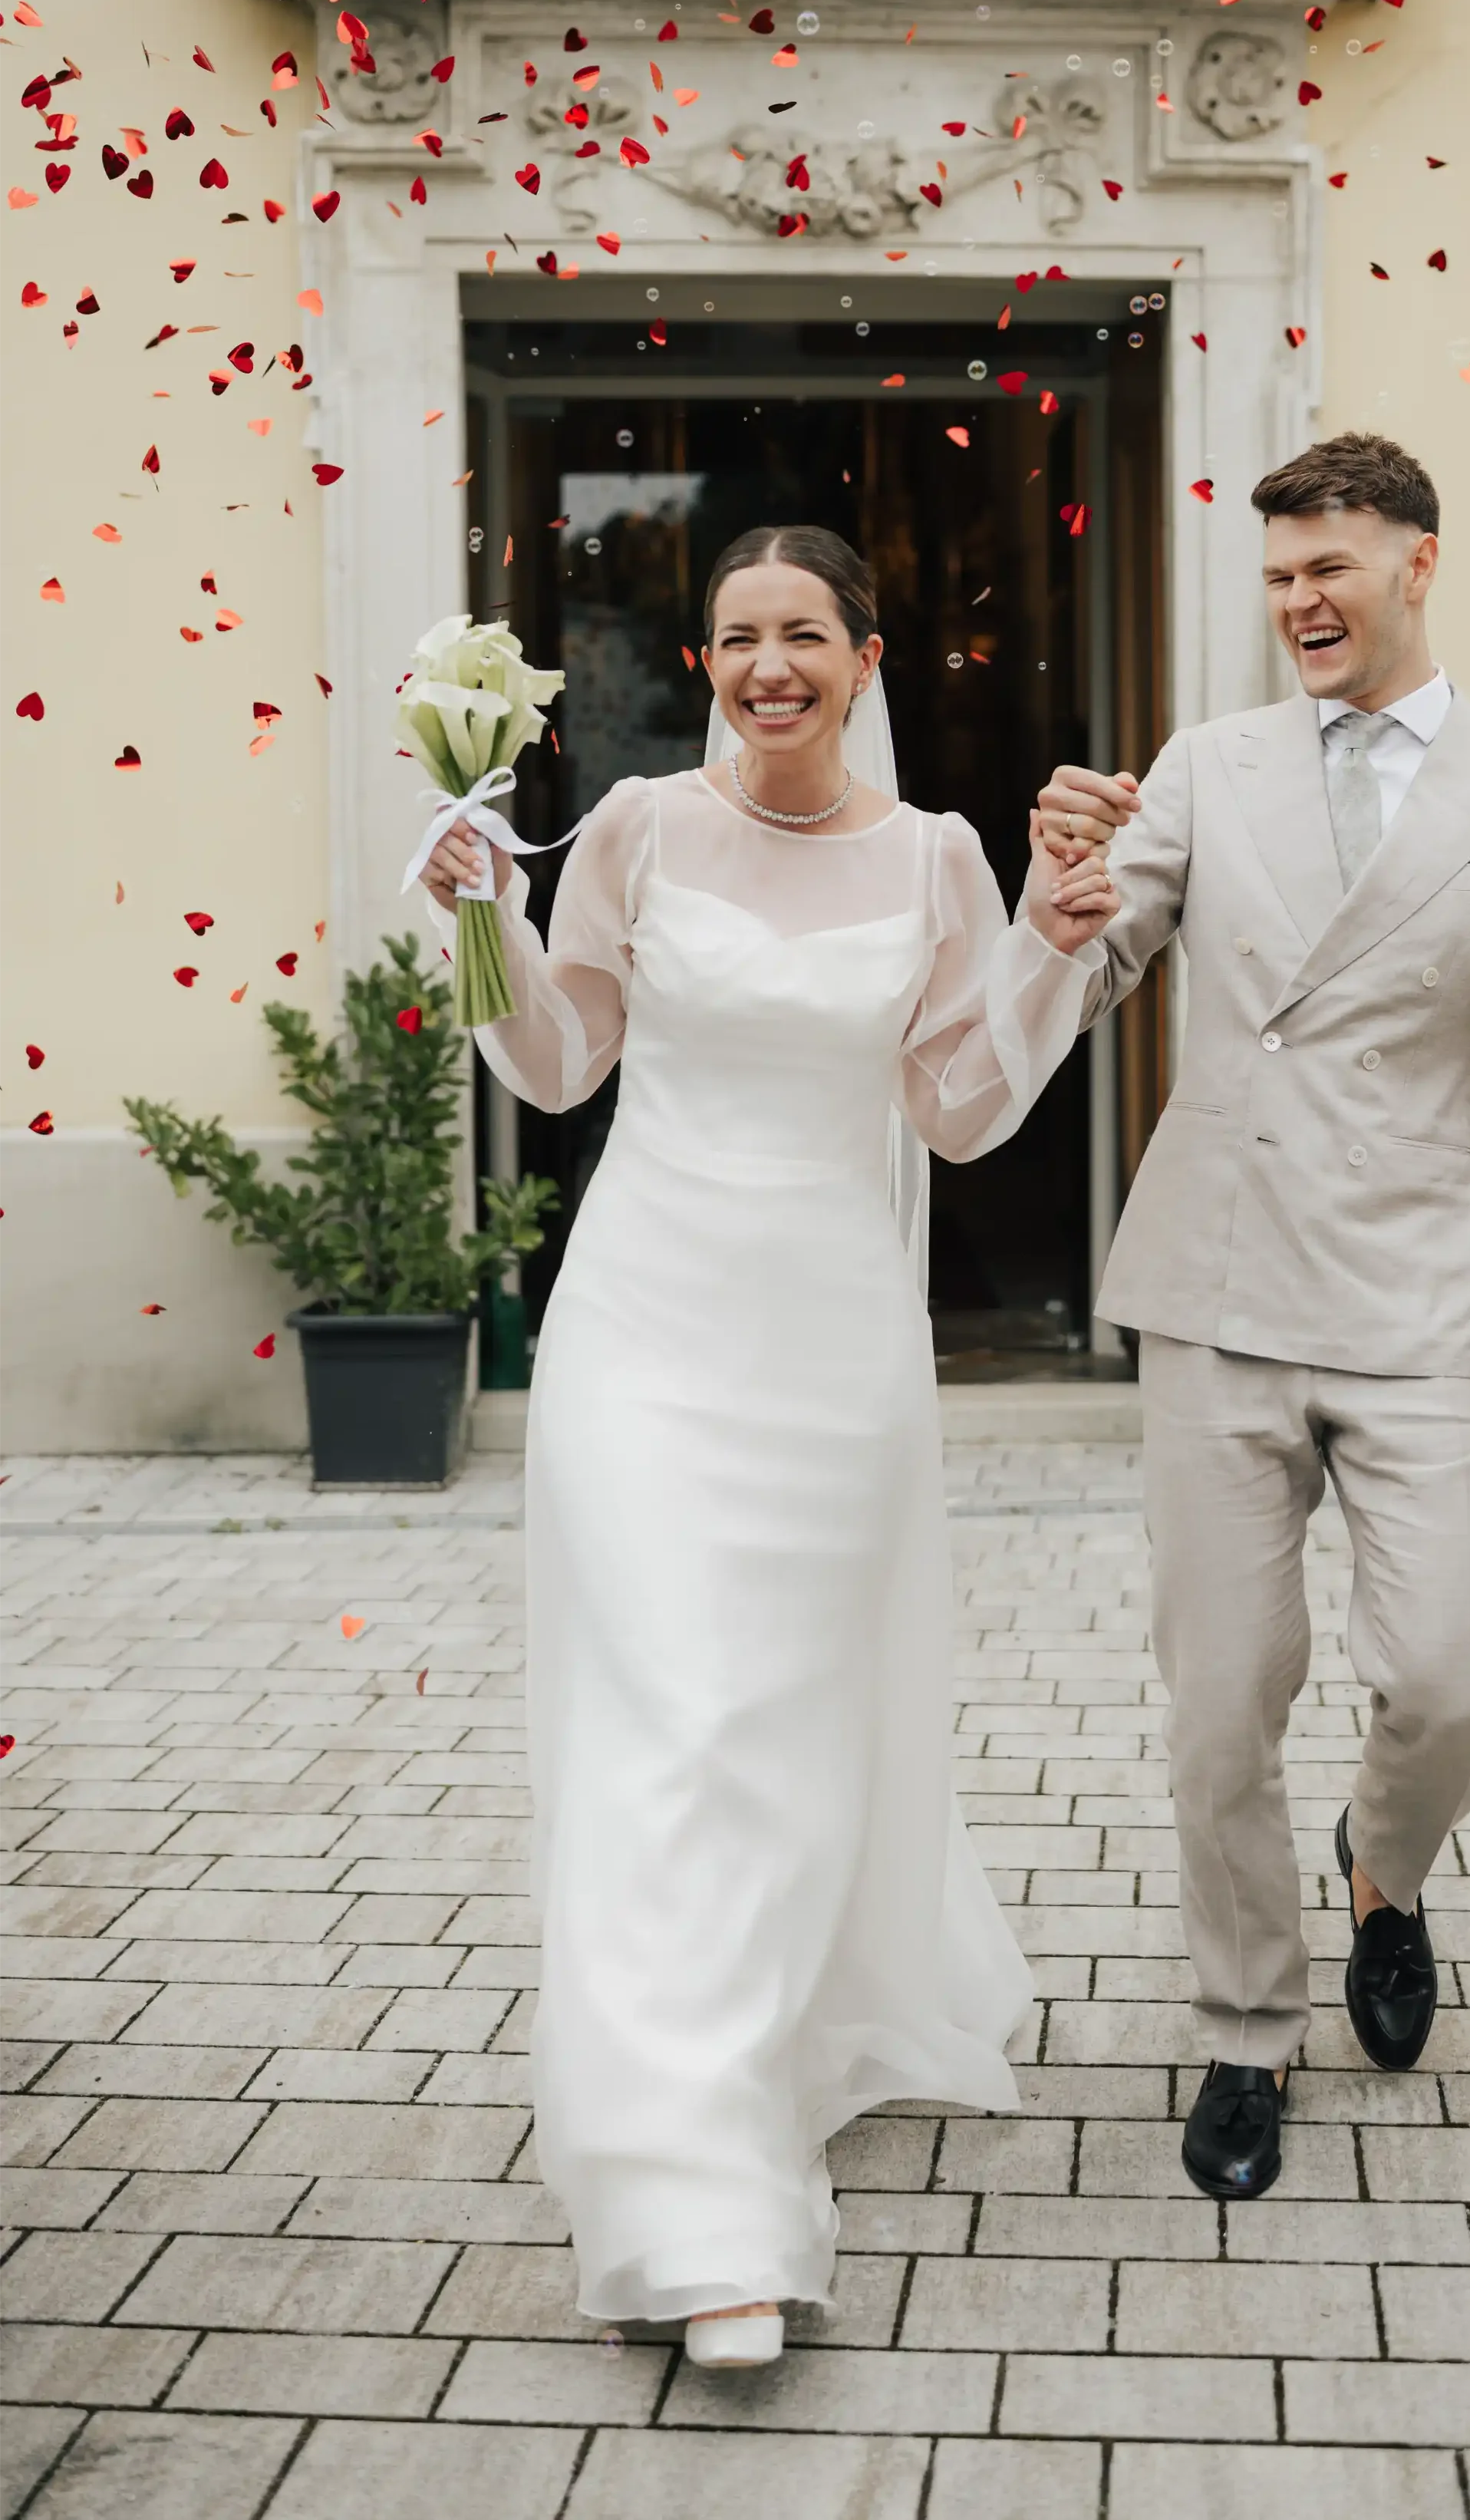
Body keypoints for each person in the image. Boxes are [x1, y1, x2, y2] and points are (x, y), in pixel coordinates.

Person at [420, 524, 1117, 2364]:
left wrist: (1048, 951)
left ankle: (762, 2034)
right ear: (705, 662)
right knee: (677, 1725)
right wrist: (481, 917)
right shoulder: (637, 831)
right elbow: (561, 1064)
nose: (765, 663)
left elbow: (958, 1109)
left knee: (783, 1735)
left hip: (831, 1349)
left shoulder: (935, 858)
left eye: (802, 631)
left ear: (864, 658)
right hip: (643, 1335)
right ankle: (698, 2202)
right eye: (734, 636)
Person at [1036, 431, 1470, 2205]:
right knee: (1221, 1703)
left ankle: (1382, 1870)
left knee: (1451, 1672)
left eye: (1326, 568)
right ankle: (1245, 2029)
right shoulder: (1206, 765)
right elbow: (1095, 971)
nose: (1297, 603)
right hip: (1216, 1290)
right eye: (1274, 578)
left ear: (1415, 562)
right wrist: (1058, 898)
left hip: (1406, 1301)